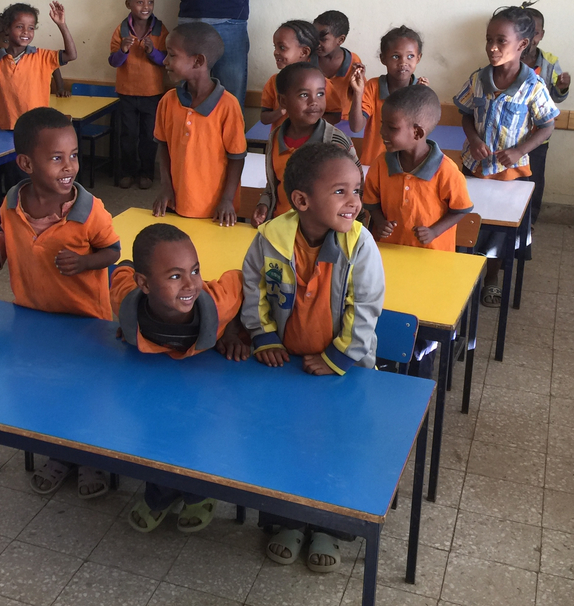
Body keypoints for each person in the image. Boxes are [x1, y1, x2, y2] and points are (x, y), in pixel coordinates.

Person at [0, 107, 121, 499]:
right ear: (25, 164)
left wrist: (85, 263)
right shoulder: (11, 204)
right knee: (45, 391)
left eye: (74, 155)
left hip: (84, 322)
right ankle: (59, 455)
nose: (69, 166)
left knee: (84, 391)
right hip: (32, 319)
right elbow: (7, 235)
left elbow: (113, 250)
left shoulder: (90, 210)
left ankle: (90, 457)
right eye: (56, 158)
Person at [241, 143, 384, 571]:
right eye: (340, 191)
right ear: (302, 201)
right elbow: (253, 288)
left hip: (343, 371)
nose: (354, 201)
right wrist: (264, 336)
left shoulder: (359, 244)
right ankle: (286, 522)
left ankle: (329, 528)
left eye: (356, 190)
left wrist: (339, 357)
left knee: (337, 448)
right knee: (282, 444)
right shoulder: (270, 239)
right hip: (287, 366)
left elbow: (366, 307)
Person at [111, 223, 248, 534]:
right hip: (154, 378)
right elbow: (121, 272)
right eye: (175, 276)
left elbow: (242, 280)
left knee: (198, 431)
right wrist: (128, 323)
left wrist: (232, 331)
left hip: (207, 379)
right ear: (143, 284)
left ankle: (198, 494)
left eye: (195, 271)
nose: (190, 284)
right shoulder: (124, 300)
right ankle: (159, 494)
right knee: (152, 431)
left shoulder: (218, 302)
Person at [454, 6, 559, 306]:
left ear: (522, 44)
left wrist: (520, 150)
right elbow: (465, 115)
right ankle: (464, 276)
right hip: (474, 169)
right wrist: (474, 140)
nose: (492, 47)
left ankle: (492, 278)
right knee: (469, 224)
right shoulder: (478, 78)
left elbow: (547, 126)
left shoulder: (533, 86)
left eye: (501, 41)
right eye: (489, 39)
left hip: (510, 176)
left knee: (499, 233)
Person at [152, 22, 247, 225]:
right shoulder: (168, 101)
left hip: (217, 211)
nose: (165, 61)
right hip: (177, 203)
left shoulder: (228, 105)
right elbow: (163, 145)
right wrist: (166, 187)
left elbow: (237, 157)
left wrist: (227, 200)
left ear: (198, 61)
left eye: (172, 55)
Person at [363, 85, 473, 252]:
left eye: (392, 128)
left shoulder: (446, 170)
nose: (382, 132)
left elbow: (460, 209)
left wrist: (434, 231)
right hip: (389, 251)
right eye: (382, 124)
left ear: (417, 133)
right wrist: (380, 222)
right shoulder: (380, 164)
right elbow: (372, 202)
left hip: (432, 254)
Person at [252, 63, 355, 226]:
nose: (314, 102)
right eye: (304, 95)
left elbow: (354, 193)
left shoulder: (336, 142)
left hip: (321, 232)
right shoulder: (275, 137)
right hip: (281, 228)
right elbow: (275, 184)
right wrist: (264, 204)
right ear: (283, 101)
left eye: (320, 94)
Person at [0, 2, 79, 130]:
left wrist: (62, 25)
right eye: (20, 26)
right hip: (9, 129)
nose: (26, 32)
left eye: (31, 28)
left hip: (39, 128)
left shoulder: (42, 56)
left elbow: (71, 55)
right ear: (7, 29)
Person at [109, 0, 169, 189]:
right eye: (140, 2)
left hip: (152, 94)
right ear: (128, 4)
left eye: (150, 2)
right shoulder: (121, 30)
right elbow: (113, 62)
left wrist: (152, 51)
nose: (146, 7)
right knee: (127, 135)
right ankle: (127, 172)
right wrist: (123, 50)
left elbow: (166, 61)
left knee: (149, 136)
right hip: (127, 93)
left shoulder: (160, 29)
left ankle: (146, 173)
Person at [519, 1, 571, 223]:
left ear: (541, 35)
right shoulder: (508, 57)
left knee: (534, 180)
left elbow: (556, 98)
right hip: (508, 135)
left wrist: (562, 87)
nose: (530, 37)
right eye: (525, 30)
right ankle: (508, 221)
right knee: (510, 180)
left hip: (538, 136)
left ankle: (529, 222)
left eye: (535, 32)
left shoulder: (550, 62)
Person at [349, 26, 428, 165]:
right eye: (396, 56)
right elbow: (356, 127)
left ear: (418, 58)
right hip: (373, 165)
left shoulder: (420, 90)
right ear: (383, 59)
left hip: (406, 167)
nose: (403, 62)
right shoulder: (373, 87)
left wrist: (422, 97)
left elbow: (421, 133)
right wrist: (358, 92)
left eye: (410, 56)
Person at [259, 20, 319, 126]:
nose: (275, 52)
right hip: (280, 137)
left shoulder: (321, 83)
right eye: (275, 47)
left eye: (282, 47)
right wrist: (280, 111)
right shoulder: (273, 82)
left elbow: (333, 115)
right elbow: (264, 118)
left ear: (304, 52)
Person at [313, 10, 362, 125]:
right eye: (314, 37)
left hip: (344, 121)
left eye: (323, 39)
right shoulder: (308, 60)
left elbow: (357, 93)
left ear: (340, 40)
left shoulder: (353, 62)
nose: (316, 43)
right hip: (313, 120)